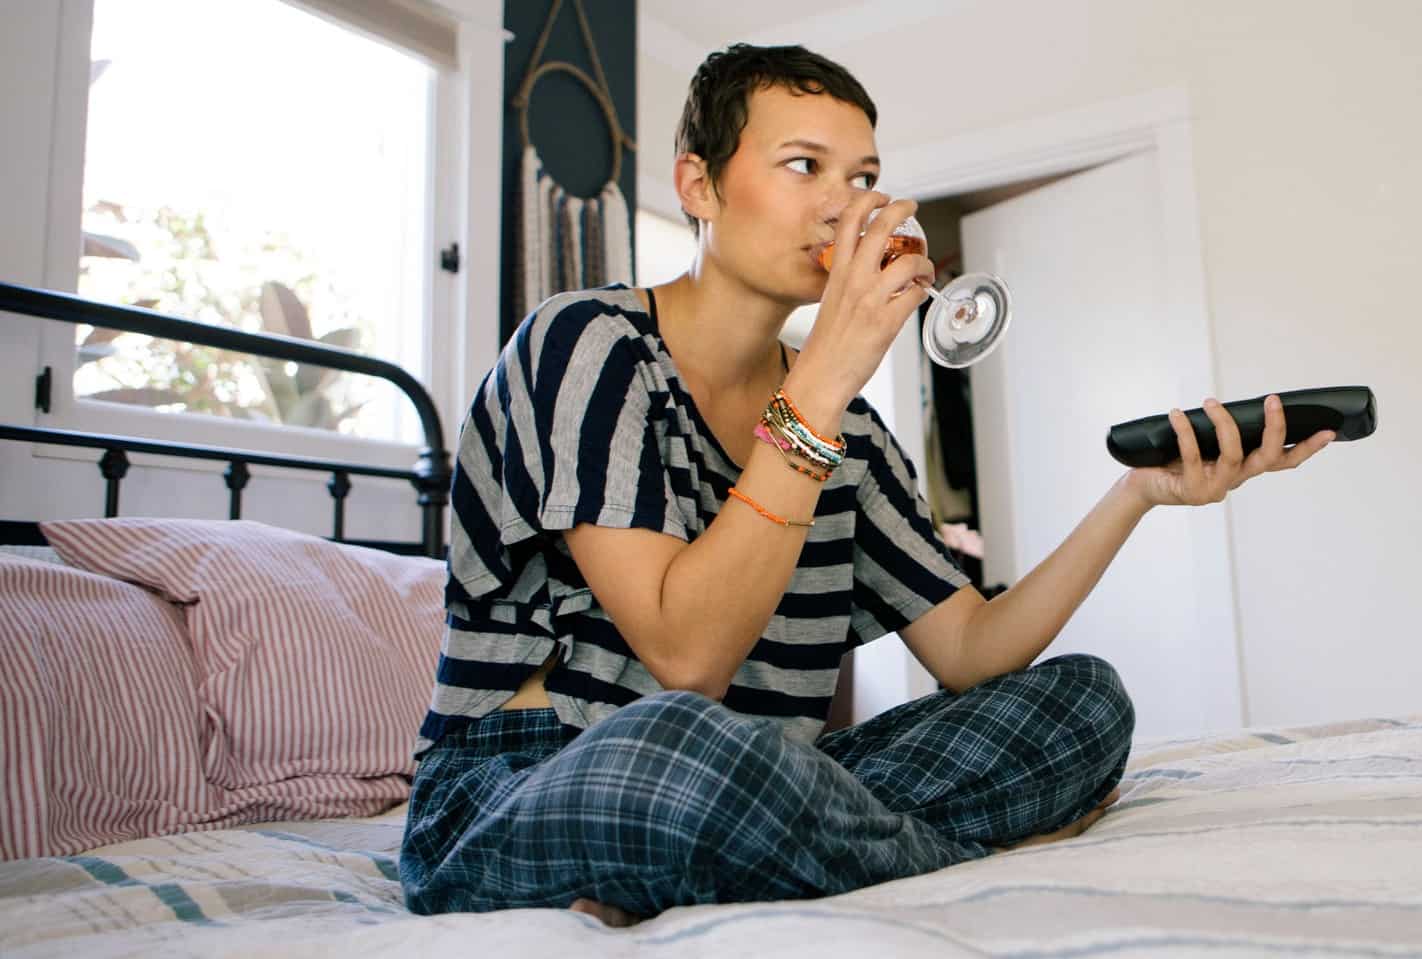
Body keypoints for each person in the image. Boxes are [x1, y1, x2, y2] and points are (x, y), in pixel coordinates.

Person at [398, 42, 1335, 927]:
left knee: (1086, 701)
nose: (845, 209)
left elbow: (970, 650)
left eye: (862, 179)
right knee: (678, 745)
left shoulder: (851, 431)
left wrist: (1136, 495)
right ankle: (954, 857)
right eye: (804, 166)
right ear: (699, 185)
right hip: (531, 778)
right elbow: (687, 659)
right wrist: (825, 375)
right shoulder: (588, 347)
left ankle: (775, 858)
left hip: (767, 776)